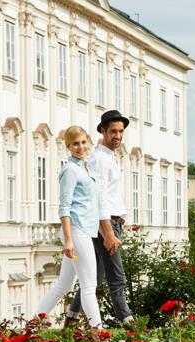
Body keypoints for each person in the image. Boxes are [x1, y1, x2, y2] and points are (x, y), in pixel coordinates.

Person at [65, 110, 134, 327]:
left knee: (95, 277)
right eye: (113, 131)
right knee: (117, 277)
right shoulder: (99, 160)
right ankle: (128, 321)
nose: (118, 136)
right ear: (103, 131)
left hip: (110, 223)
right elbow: (98, 199)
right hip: (106, 224)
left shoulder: (107, 157)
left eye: (121, 131)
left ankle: (71, 318)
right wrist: (109, 233)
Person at [35, 126, 103, 327]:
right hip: (76, 233)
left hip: (82, 232)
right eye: (75, 144)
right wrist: (69, 240)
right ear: (68, 147)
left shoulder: (85, 167)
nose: (80, 147)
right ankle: (99, 334)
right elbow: (64, 208)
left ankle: (31, 328)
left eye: (83, 142)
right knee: (89, 285)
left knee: (63, 286)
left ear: (88, 142)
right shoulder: (70, 170)